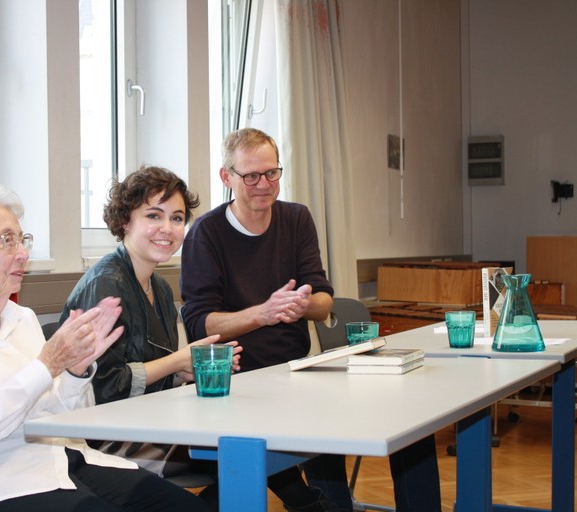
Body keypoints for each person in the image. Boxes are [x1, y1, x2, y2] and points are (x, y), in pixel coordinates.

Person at [0, 181, 208, 512]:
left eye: (22, 239)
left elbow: (61, 418)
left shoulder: (20, 319)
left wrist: (75, 371)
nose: (23, 253)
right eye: (6, 240)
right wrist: (48, 364)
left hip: (54, 460)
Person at [180, 127, 442, 512]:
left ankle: (328, 503)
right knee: (306, 441)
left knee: (412, 421)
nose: (264, 185)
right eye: (250, 175)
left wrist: (302, 305)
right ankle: (319, 503)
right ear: (227, 177)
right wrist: (263, 313)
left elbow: (323, 301)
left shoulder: (296, 218)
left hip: (296, 371)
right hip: (239, 379)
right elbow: (199, 325)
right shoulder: (207, 232)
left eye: (272, 173)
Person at [61, 166, 240, 489]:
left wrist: (185, 370)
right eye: (154, 216)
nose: (167, 229)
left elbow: (146, 370)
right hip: (105, 438)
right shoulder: (106, 284)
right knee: (240, 457)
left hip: (148, 421)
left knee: (245, 451)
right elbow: (103, 388)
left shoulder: (160, 286)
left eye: (176, 218)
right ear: (125, 220)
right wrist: (178, 360)